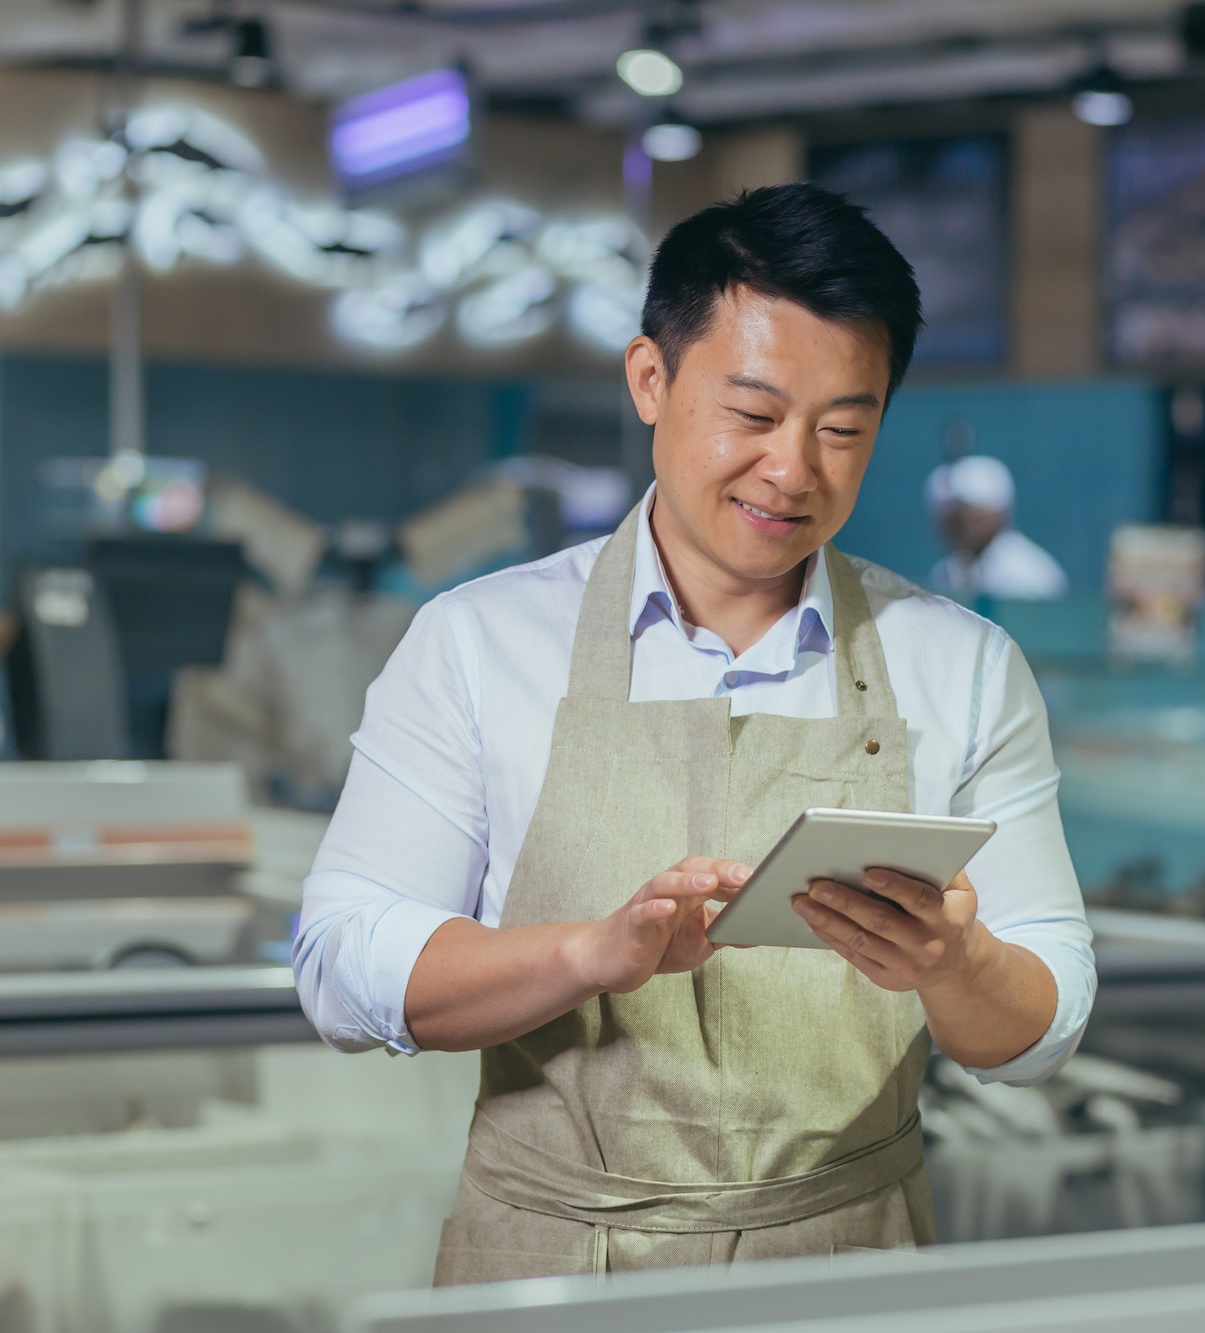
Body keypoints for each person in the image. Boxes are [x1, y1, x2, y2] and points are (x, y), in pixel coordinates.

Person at [293, 183, 1095, 1283]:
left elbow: (1043, 1018)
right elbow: (341, 966)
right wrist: (588, 954)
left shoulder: (957, 663)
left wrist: (957, 962)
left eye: (842, 430)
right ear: (649, 379)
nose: (792, 469)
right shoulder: (477, 642)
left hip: (847, 1268)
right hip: (548, 1270)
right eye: (754, 416)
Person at [927, 454, 1069, 600]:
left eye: (975, 512)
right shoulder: (947, 571)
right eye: (957, 512)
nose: (962, 522)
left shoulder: (1029, 574)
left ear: (1000, 512)